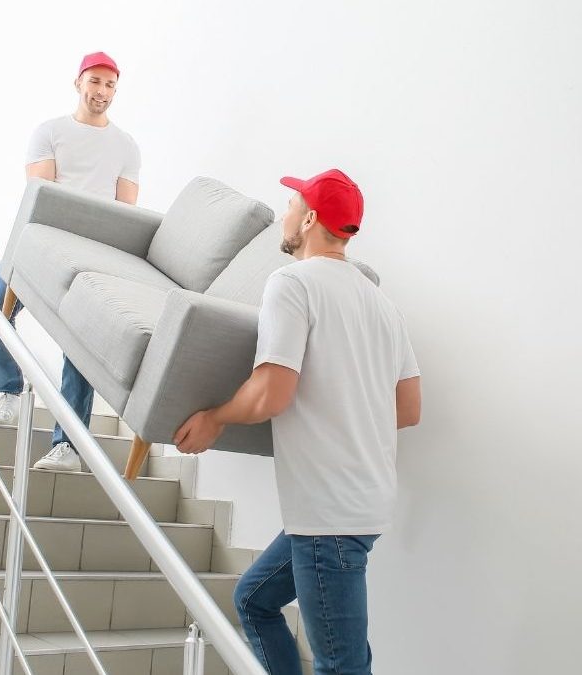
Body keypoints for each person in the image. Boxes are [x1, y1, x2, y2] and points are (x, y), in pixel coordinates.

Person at [173, 168, 422, 674]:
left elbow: (271, 392)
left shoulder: (292, 283)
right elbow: (408, 408)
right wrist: (344, 411)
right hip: (359, 503)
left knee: (341, 665)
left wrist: (215, 418)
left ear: (309, 219)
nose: (284, 214)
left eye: (290, 205)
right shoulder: (382, 305)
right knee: (254, 600)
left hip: (329, 513)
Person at [0, 51, 141, 471]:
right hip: (40, 241)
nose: (102, 91)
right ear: (78, 83)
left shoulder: (126, 146)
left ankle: (69, 445)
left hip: (92, 252)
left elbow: (124, 213)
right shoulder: (49, 131)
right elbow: (43, 195)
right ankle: (9, 390)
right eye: (95, 81)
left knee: (81, 345)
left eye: (110, 84)